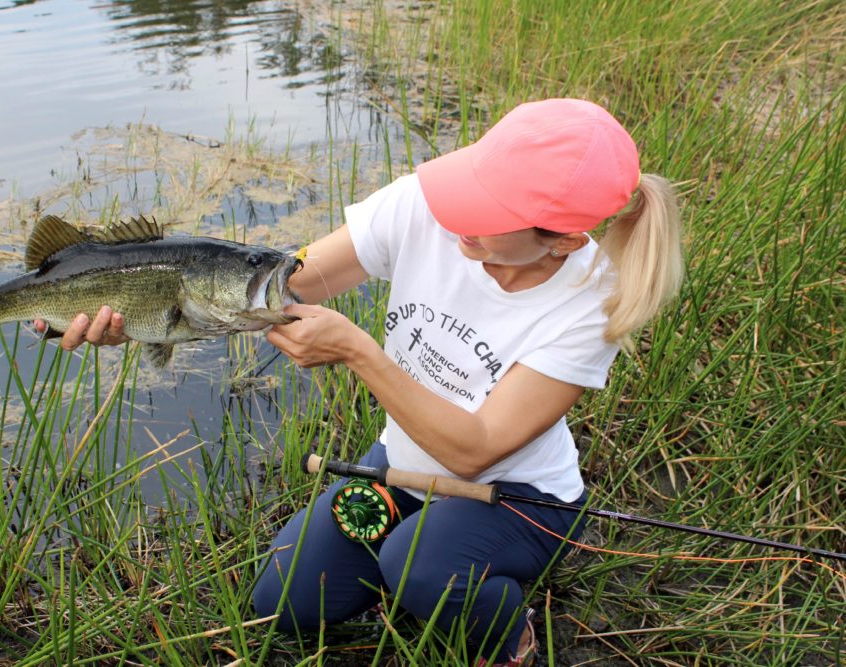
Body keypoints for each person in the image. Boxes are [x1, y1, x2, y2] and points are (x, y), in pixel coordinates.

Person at [42, 98, 684, 666]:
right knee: (283, 602)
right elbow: (283, 286)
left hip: (515, 498)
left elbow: (476, 447)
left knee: (420, 565)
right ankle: (419, 576)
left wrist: (358, 351)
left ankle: (505, 635)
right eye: (471, 186)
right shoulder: (426, 207)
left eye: (489, 211)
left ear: (564, 239)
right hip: (399, 465)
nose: (459, 215)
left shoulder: (592, 303)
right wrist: (148, 314)